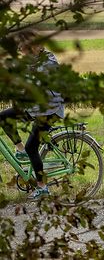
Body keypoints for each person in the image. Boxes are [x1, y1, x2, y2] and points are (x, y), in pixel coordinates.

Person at [0, 30, 65, 199]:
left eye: (22, 47)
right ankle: (20, 150)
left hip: (50, 110)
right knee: (4, 117)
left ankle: (43, 188)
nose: (20, 50)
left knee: (32, 147)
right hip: (35, 107)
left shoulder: (47, 62)